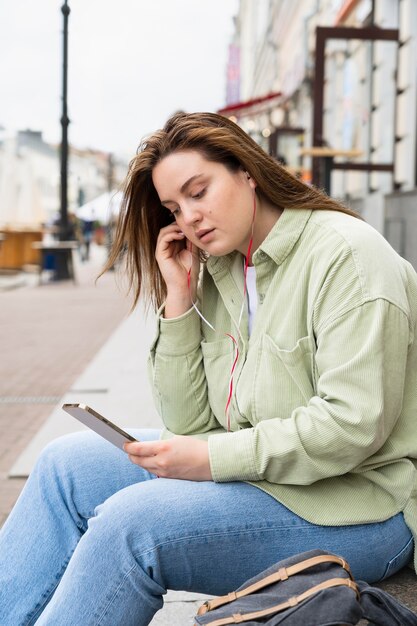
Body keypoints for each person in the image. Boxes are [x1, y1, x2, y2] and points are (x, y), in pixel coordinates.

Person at [1, 111, 416, 625]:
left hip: (364, 505)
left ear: (247, 170)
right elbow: (189, 422)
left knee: (133, 524)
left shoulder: (345, 254)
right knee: (64, 466)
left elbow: (352, 426)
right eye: (175, 206)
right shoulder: (220, 267)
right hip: (267, 480)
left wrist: (212, 458)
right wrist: (177, 298)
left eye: (199, 191)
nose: (190, 217)